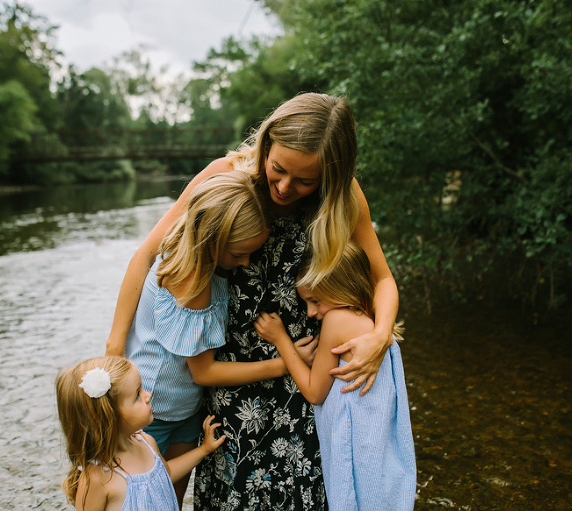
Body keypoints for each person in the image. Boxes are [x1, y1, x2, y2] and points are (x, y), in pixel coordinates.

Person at [105, 92, 400, 510]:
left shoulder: (342, 197)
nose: (285, 187)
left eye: (305, 181)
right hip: (230, 380)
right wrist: (115, 348)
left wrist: (380, 336)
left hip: (304, 378)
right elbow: (147, 256)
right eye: (278, 168)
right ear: (266, 145)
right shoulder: (225, 177)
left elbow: (382, 278)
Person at [124, 171, 316, 507]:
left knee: (168, 502)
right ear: (212, 239)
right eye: (239, 253)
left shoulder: (201, 261)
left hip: (183, 410)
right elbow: (204, 372)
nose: (245, 262)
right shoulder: (193, 280)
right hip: (154, 411)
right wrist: (286, 362)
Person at [254, 241, 416, 511]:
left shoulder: (337, 320)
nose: (310, 313)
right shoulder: (373, 318)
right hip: (378, 449)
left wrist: (281, 339)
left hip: (358, 450)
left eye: (315, 301)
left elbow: (314, 392)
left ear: (341, 288)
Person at [54, 356, 225, 511]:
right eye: (137, 395)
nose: (148, 395)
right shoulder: (97, 478)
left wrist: (203, 449)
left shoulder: (147, 442)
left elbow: (167, 474)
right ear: (110, 417)